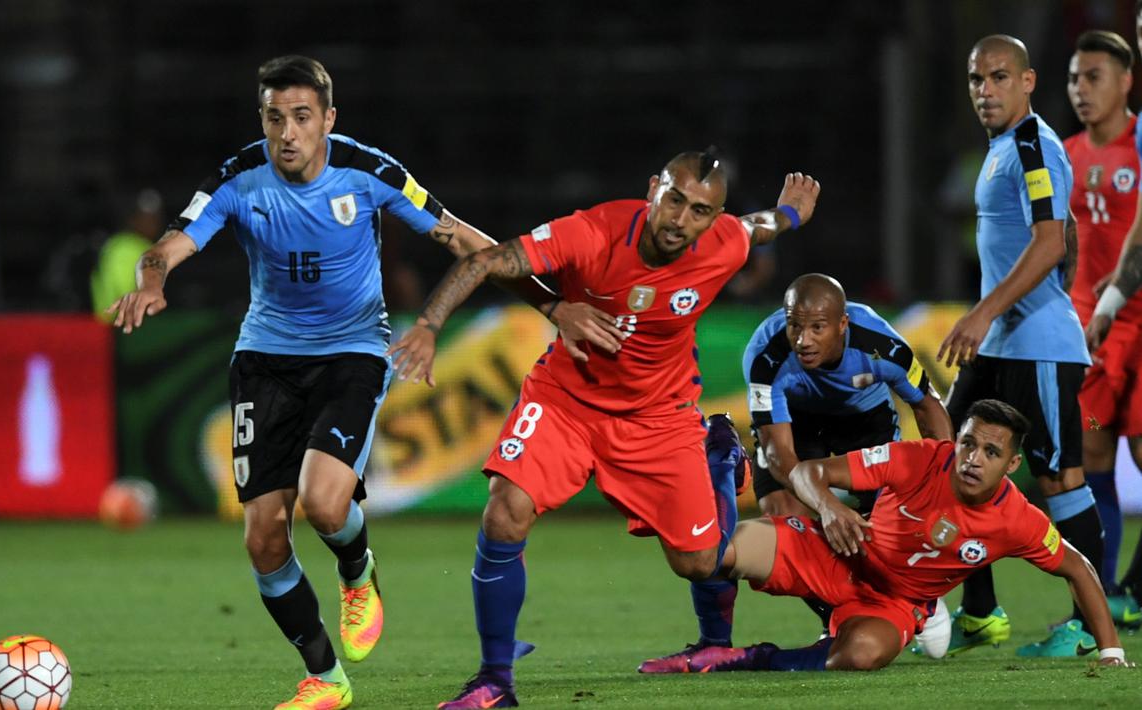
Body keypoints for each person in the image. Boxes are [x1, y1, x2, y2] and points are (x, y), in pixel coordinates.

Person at [107, 55, 611, 710]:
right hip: (264, 359)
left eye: (301, 117)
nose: (286, 132)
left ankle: (357, 569)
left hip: (352, 353)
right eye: (273, 117)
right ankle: (325, 676)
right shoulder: (238, 178)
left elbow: (461, 239)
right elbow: (167, 246)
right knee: (262, 534)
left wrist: (549, 304)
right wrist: (152, 284)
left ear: (328, 120)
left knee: (322, 502)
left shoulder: (369, 171)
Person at [389, 149, 820, 707]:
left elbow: (755, 227)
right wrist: (429, 324)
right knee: (504, 510)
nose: (681, 220)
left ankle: (717, 462)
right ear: (652, 189)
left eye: (699, 212)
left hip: (658, 419)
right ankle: (495, 679)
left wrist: (788, 214)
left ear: (713, 220)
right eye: (674, 200)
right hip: (568, 402)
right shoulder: (592, 232)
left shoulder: (723, 243)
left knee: (699, 563)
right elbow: (488, 260)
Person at [637, 273, 953, 673]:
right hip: (795, 425)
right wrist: (826, 506)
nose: (803, 339)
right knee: (783, 512)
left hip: (865, 420)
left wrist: (943, 485)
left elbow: (928, 409)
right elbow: (777, 452)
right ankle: (836, 618)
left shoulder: (884, 346)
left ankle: (912, 597)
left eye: (817, 327)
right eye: (795, 325)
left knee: (886, 527)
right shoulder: (766, 354)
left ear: (843, 325)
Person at [677, 399, 1132, 672]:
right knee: (709, 556)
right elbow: (810, 472)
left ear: (1012, 465)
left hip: (895, 601)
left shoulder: (1017, 520)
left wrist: (1111, 650)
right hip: (839, 550)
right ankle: (722, 463)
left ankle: (749, 659)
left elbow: (1079, 568)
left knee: (856, 658)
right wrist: (831, 509)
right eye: (968, 443)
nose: (973, 458)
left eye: (991, 452)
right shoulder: (919, 458)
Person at [937, 34, 1101, 658]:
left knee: (1059, 477)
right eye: (977, 79)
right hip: (1002, 341)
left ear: (1028, 82)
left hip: (1034, 342)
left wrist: (982, 313)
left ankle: (1089, 624)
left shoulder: (1033, 144)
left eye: (999, 77)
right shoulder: (1002, 149)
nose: (985, 90)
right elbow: (1067, 233)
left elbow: (1051, 241)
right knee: (947, 463)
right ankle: (980, 612)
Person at [1064, 28, 1142, 628]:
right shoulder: (1064, 154)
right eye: (1074, 78)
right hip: (1087, 328)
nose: (1081, 90)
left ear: (1125, 82)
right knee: (1091, 455)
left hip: (1138, 324)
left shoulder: (1141, 147)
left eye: (1093, 77)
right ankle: (1109, 589)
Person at [90, 189, 164, 323]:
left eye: (154, 218)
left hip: (120, 322)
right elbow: (123, 290)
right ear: (133, 218)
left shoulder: (135, 245)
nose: (151, 223)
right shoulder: (125, 247)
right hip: (117, 324)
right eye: (145, 217)